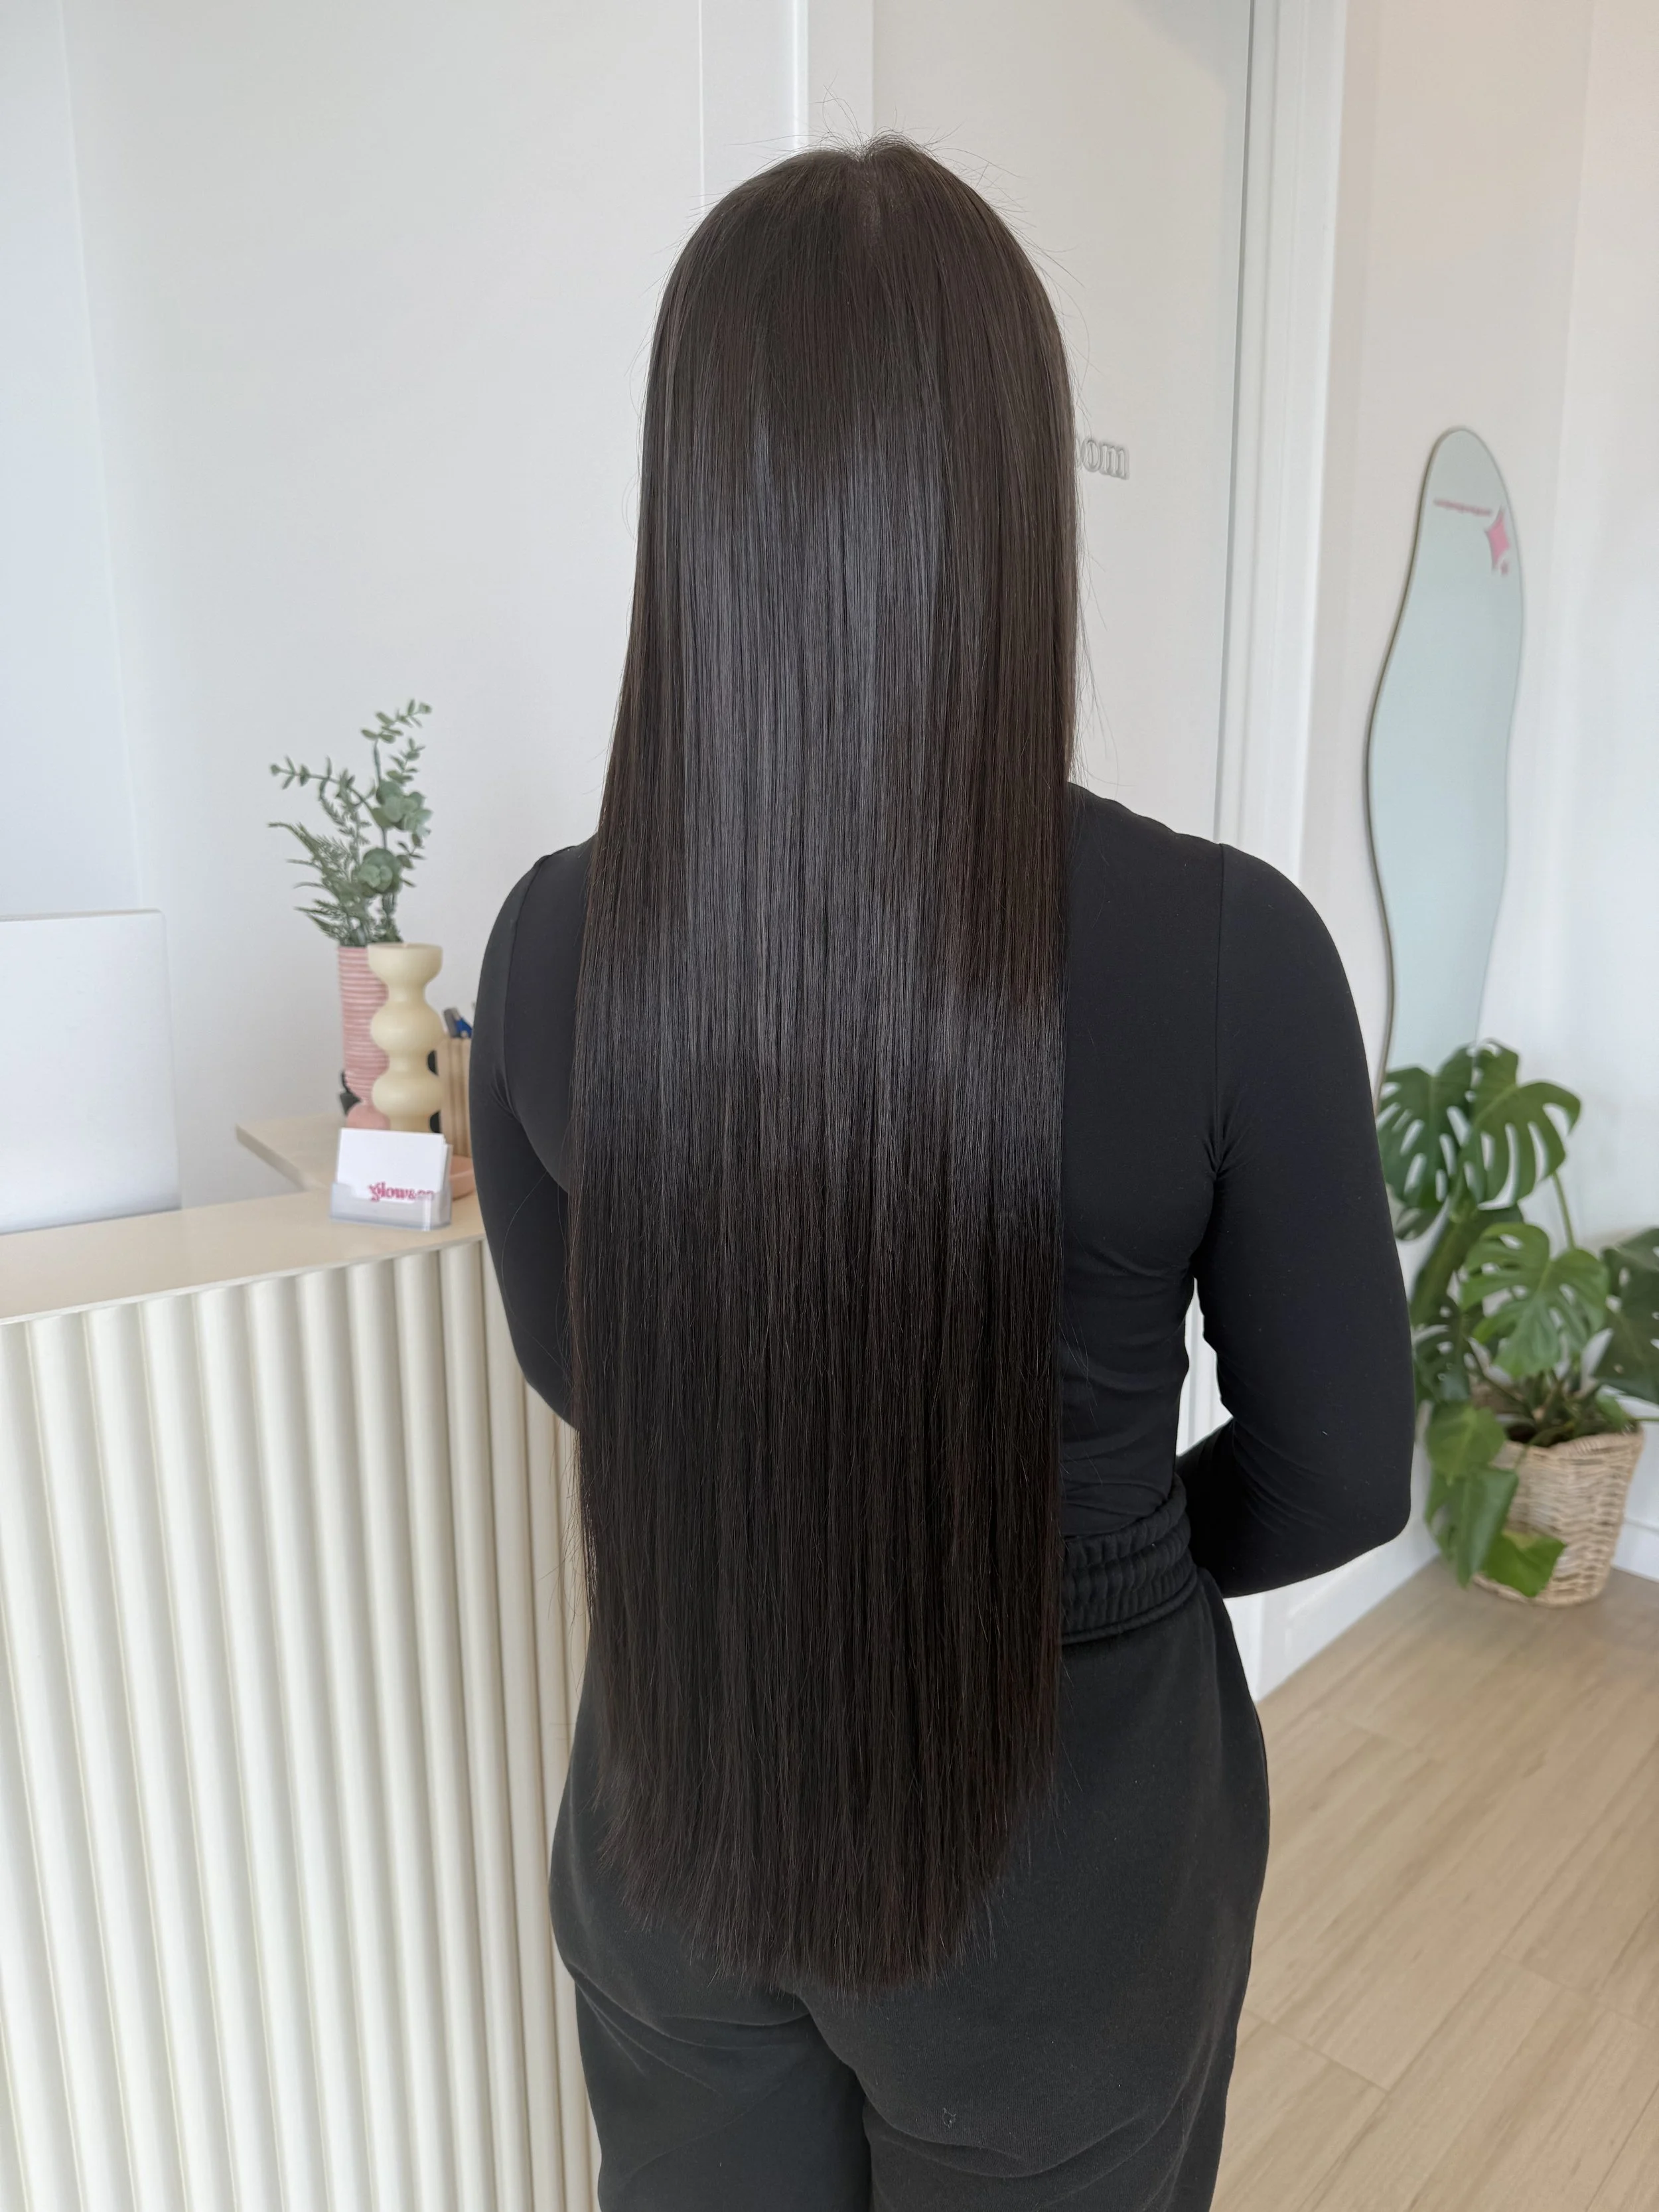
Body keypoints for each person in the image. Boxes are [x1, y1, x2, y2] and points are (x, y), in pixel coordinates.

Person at [471, 135, 1413, 2212]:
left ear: (694, 499)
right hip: (1055, 1872)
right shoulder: (1230, 955)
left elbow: (575, 1364)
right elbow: (1342, 1470)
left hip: (675, 1817)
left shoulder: (542, 939)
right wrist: (1092, 1559)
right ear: (1011, 501)